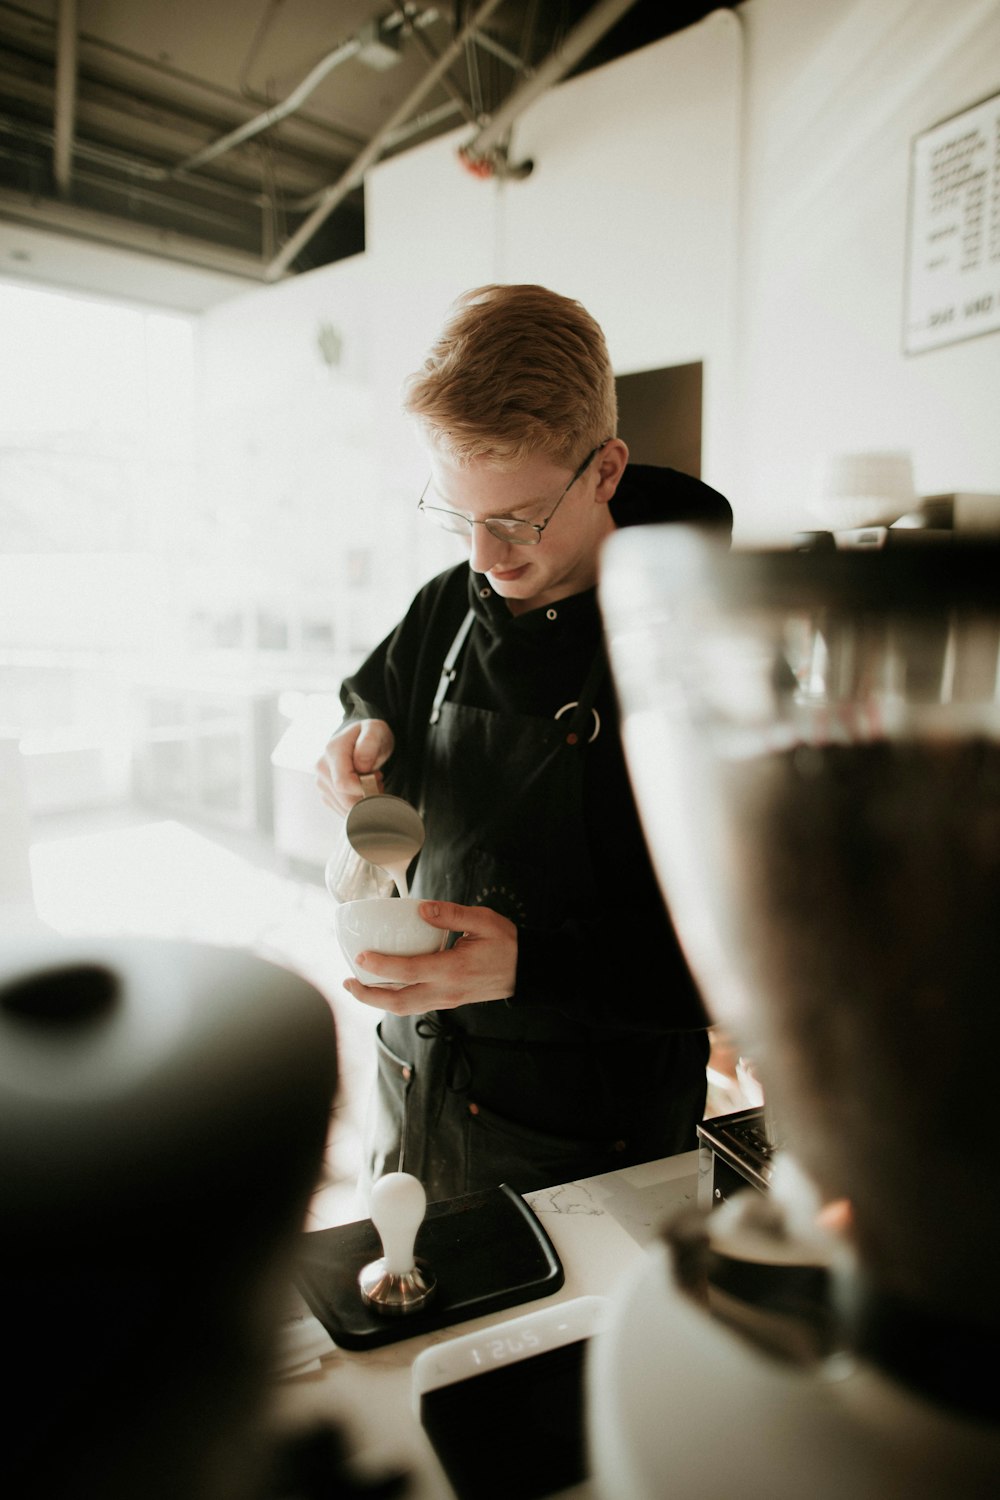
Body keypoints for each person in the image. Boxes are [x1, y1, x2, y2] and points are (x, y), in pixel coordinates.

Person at [315, 283, 732, 1202]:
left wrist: (531, 967)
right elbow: (368, 697)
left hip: (591, 1144)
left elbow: (743, 965)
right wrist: (356, 738)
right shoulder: (448, 606)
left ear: (607, 470)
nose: (484, 557)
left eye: (517, 519)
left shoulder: (706, 645)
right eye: (459, 516)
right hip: (416, 1086)